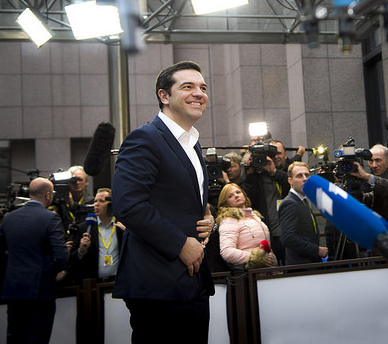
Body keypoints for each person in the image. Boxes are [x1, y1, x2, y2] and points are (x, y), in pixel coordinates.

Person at [111, 61, 216, 344]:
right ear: (164, 96)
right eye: (188, 87)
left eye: (203, 88)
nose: (199, 93)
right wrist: (181, 244)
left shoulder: (192, 144)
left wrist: (209, 218)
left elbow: (181, 200)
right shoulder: (144, 138)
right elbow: (128, 206)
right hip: (158, 282)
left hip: (190, 281)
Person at [0, 177, 69, 344]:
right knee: (37, 338)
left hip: (13, 289)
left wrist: (10, 273)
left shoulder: (8, 218)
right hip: (40, 289)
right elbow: (61, 254)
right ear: (48, 195)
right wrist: (59, 271)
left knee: (15, 337)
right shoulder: (50, 218)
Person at [216, 183, 277, 269]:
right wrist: (252, 258)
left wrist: (270, 256)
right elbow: (226, 251)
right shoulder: (229, 220)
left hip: (266, 269)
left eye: (238, 192)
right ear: (226, 203)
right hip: (248, 272)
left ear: (243, 194)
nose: (236, 196)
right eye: (230, 196)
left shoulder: (254, 215)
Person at [278, 162, 328, 265]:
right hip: (301, 266)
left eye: (307, 175)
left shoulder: (302, 200)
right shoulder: (290, 203)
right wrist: (316, 250)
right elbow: (288, 238)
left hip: (309, 264)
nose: (305, 178)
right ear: (290, 181)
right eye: (299, 176)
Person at [70, 188, 124, 282]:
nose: (96, 204)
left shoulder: (121, 227)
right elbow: (72, 258)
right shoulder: (84, 228)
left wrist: (127, 232)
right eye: (95, 201)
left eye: (101, 201)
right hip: (93, 284)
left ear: (112, 204)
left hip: (118, 282)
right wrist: (81, 251)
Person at [350, 144, 388, 228]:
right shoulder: (380, 176)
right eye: (371, 161)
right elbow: (373, 197)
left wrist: (367, 177)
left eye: (378, 160)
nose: (374, 165)